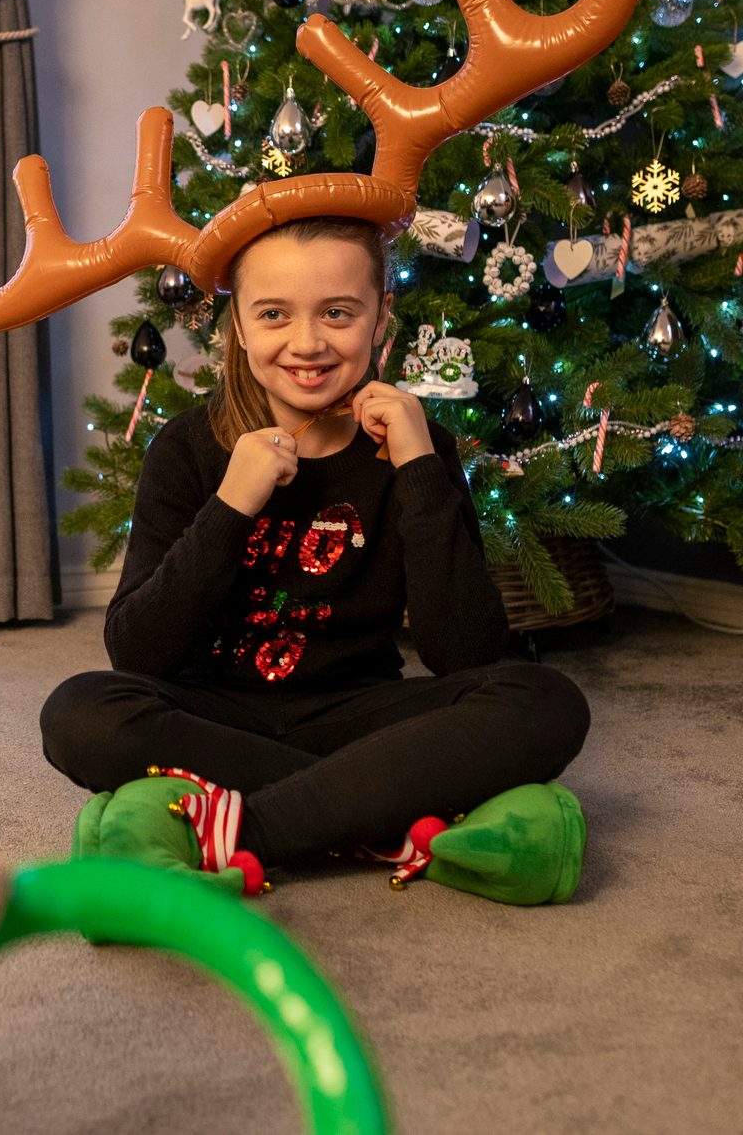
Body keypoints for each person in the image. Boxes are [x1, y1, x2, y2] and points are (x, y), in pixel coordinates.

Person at [39, 216, 589, 889]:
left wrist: (417, 465)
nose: (306, 343)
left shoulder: (421, 448)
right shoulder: (185, 448)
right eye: (272, 314)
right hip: (212, 715)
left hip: (360, 716)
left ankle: (252, 830)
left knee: (544, 700)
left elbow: (465, 654)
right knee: (79, 713)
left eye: (336, 312)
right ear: (237, 326)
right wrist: (231, 505)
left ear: (380, 317)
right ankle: (374, 814)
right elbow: (138, 652)